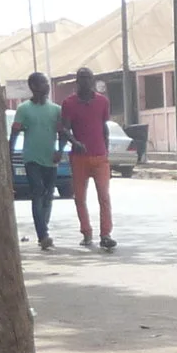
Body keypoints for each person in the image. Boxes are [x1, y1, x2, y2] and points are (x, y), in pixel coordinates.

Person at [60, 68, 116, 248]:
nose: (85, 82)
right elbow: (65, 129)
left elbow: (104, 127)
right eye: (82, 78)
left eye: (88, 78)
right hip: (79, 157)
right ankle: (86, 232)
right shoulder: (69, 103)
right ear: (77, 81)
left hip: (100, 156)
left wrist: (106, 153)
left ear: (92, 80)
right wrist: (74, 142)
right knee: (79, 197)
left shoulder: (102, 101)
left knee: (104, 196)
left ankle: (105, 234)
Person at [10, 71, 64, 250]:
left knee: (48, 195)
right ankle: (43, 235)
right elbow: (15, 132)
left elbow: (62, 132)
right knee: (37, 192)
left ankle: (44, 228)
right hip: (32, 158)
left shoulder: (56, 110)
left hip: (50, 158)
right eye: (43, 83)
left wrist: (60, 150)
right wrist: (9, 153)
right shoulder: (24, 109)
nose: (47, 86)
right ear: (33, 87)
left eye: (47, 83)